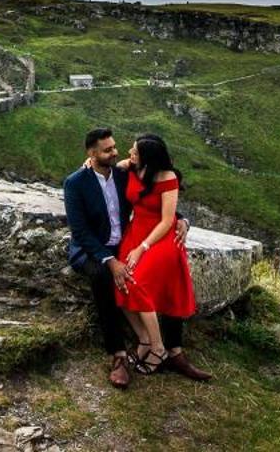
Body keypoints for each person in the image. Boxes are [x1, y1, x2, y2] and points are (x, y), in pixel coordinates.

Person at [62, 128, 211, 390]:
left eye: (115, 147)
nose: (116, 152)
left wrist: (184, 220)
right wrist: (110, 260)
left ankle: (168, 349)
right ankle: (118, 354)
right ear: (91, 153)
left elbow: (158, 198)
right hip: (93, 248)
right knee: (103, 277)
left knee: (167, 267)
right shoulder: (76, 182)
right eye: (108, 149)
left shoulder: (122, 173)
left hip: (127, 242)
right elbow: (80, 232)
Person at [113, 134, 204, 380]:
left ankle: (159, 349)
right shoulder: (131, 166)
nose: (130, 153)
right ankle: (144, 339)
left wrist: (143, 247)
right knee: (121, 280)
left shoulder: (168, 177)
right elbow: (106, 165)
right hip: (136, 231)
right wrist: (87, 164)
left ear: (149, 158)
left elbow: (166, 219)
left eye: (135, 151)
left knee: (138, 282)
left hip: (160, 236)